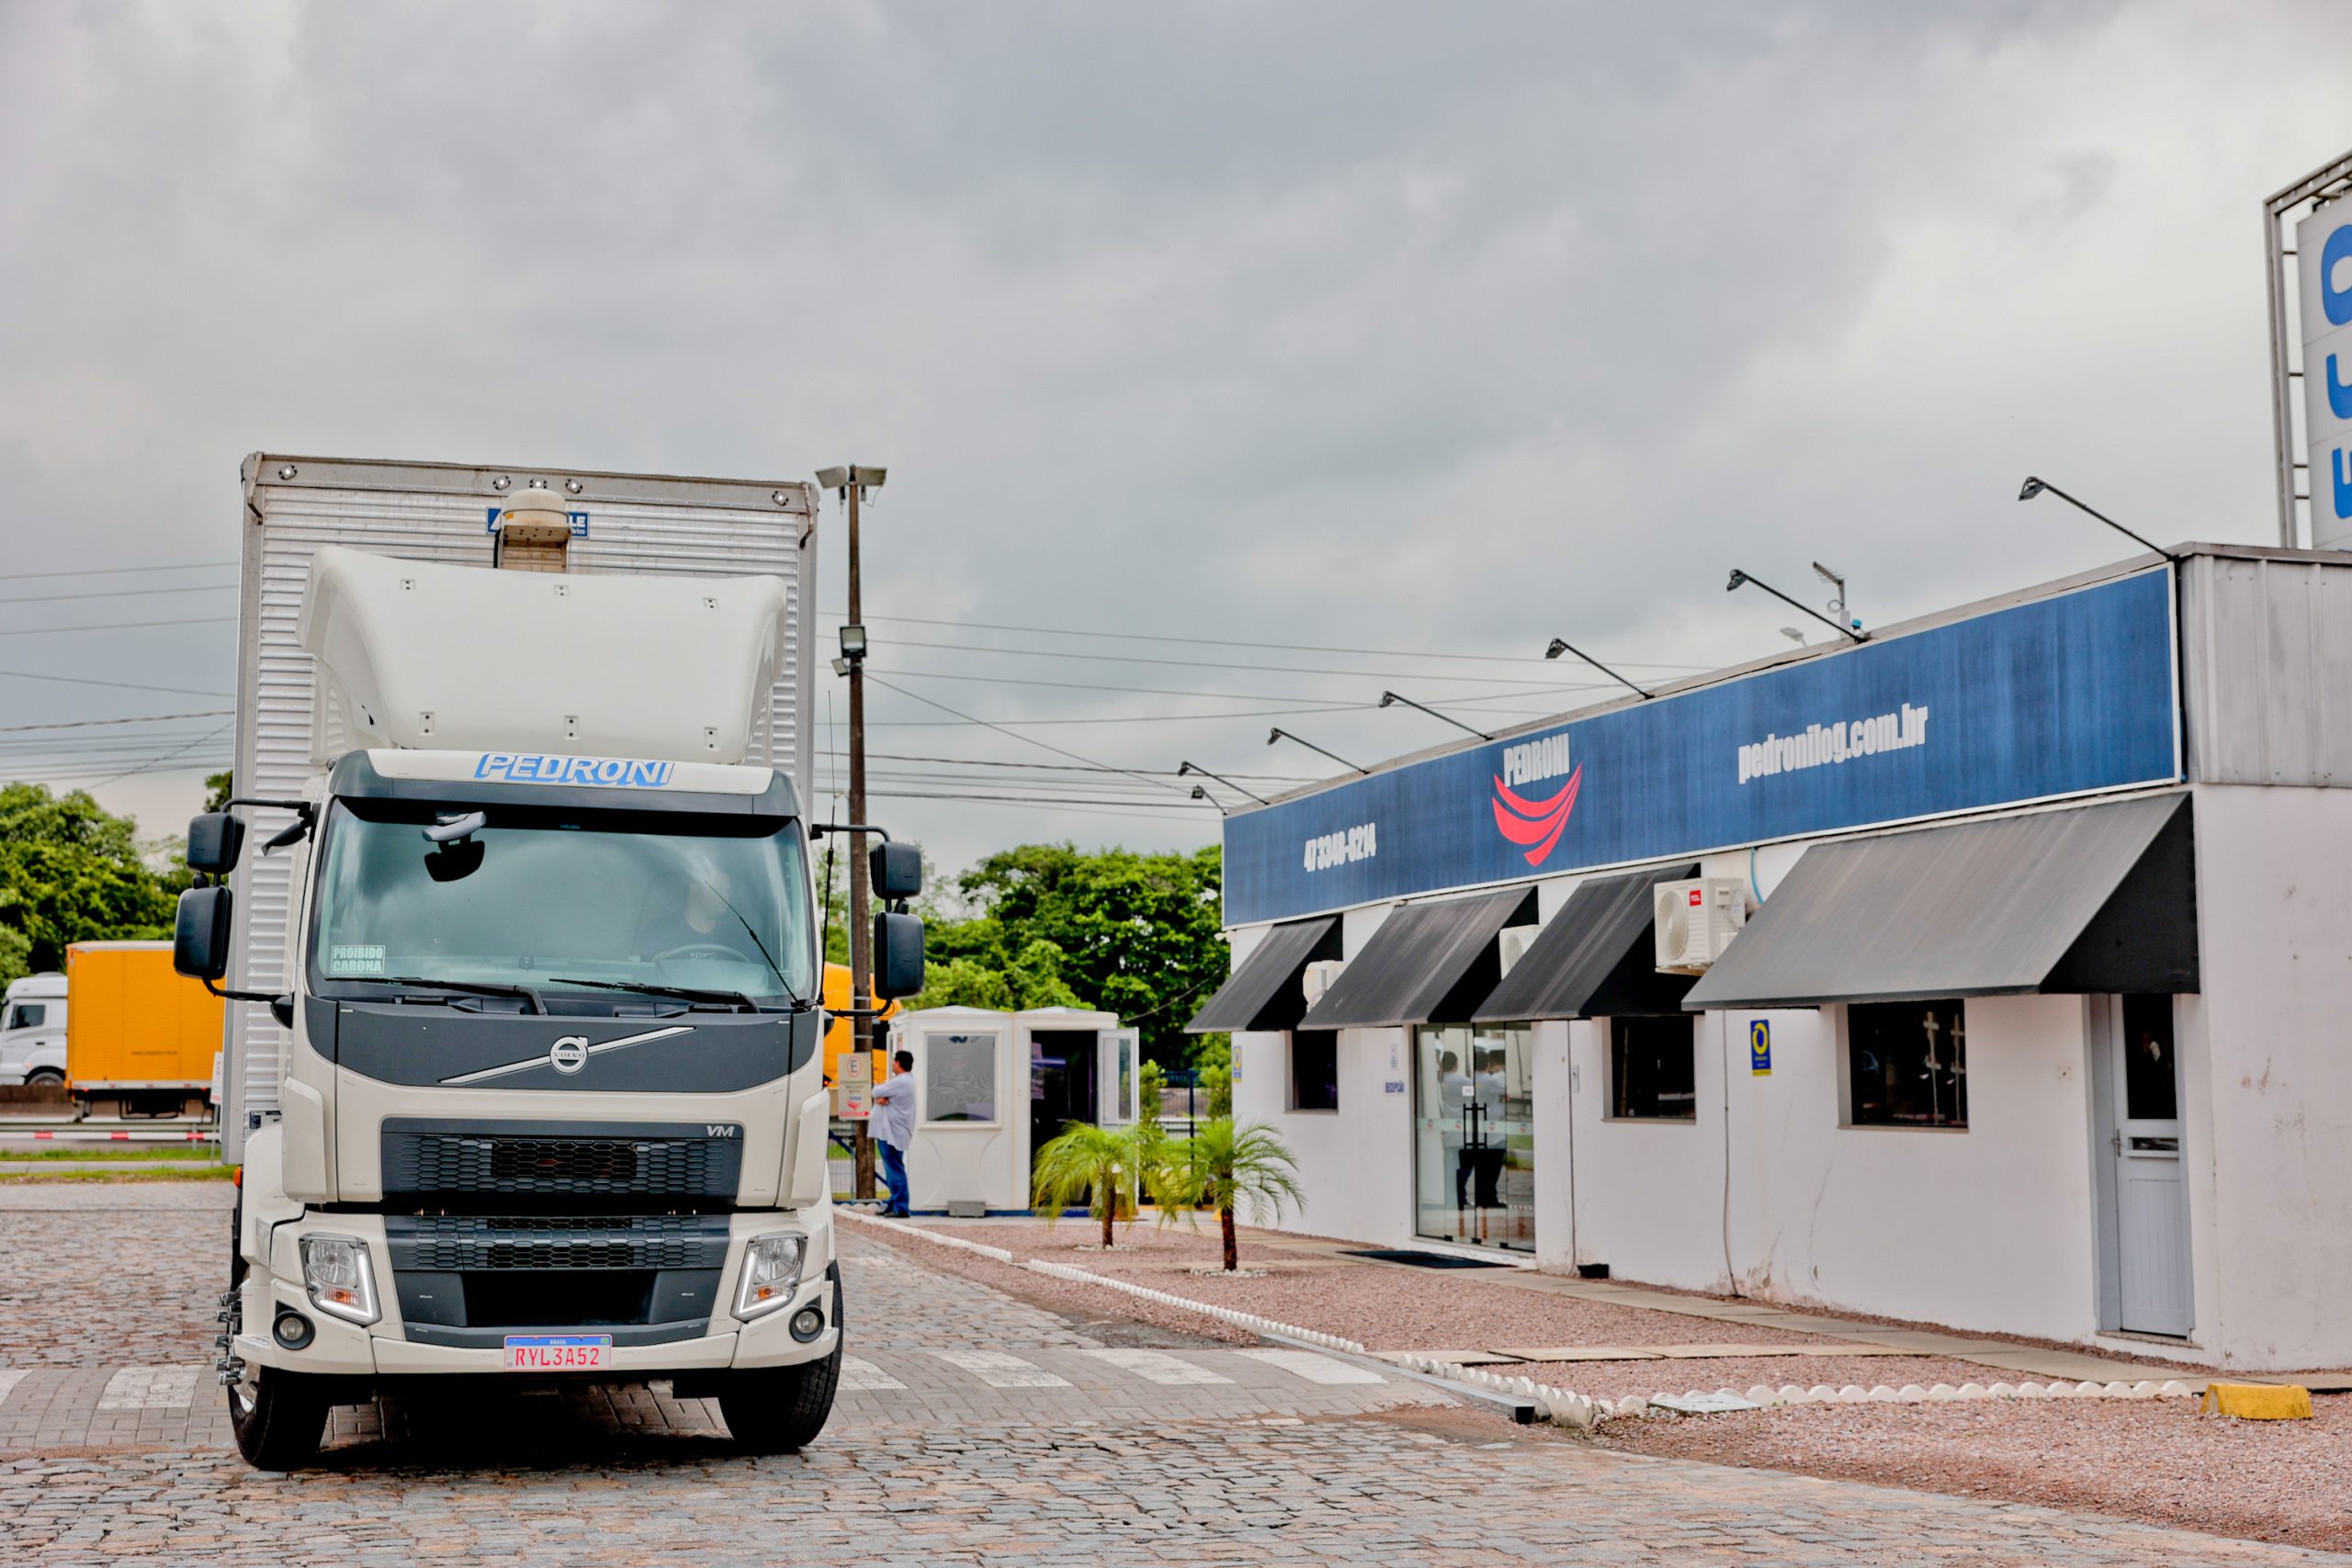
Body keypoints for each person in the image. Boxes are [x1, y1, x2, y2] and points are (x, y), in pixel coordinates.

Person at [868, 1048, 917, 1218]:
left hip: (892, 1134)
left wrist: (881, 1095)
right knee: (893, 1169)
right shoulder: (906, 1081)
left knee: (894, 1169)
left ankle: (901, 1206)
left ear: (899, 1063)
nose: (892, 1065)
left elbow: (875, 1092)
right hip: (892, 1132)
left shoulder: (901, 1081)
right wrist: (884, 1098)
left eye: (894, 1061)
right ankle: (893, 1202)